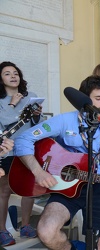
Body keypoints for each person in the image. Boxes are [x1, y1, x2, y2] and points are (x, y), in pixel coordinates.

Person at [14, 76, 100, 250]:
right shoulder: (65, 120)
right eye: (98, 98)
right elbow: (24, 139)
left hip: (99, 189)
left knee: (98, 244)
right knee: (46, 231)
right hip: (66, 188)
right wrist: (38, 171)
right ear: (83, 99)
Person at [0, 61, 43, 246]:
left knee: (29, 188)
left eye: (15, 73)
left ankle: (25, 225)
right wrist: (13, 103)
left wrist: (36, 115)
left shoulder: (30, 97)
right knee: (4, 191)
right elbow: (5, 121)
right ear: (1, 79)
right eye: (7, 73)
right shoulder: (2, 102)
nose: (13, 76)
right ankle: (2, 230)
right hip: (6, 151)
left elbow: (38, 125)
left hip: (27, 149)